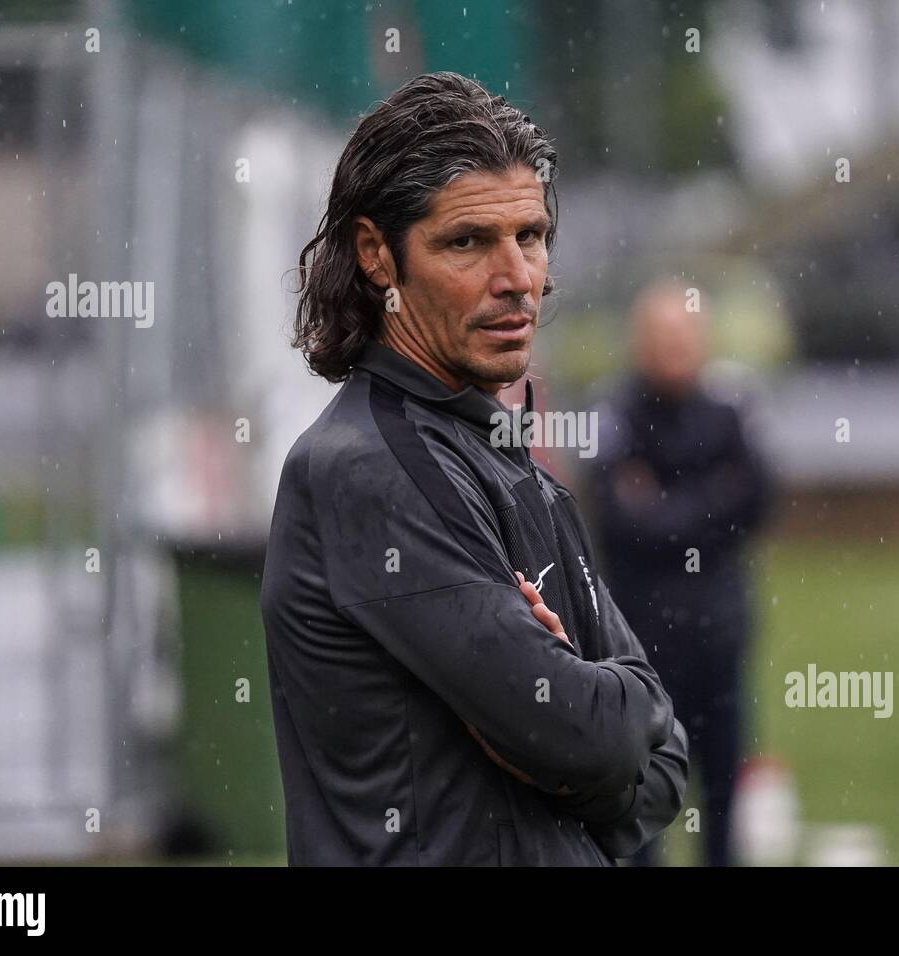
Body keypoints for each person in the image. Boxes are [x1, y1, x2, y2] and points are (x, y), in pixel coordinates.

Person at [259, 72, 688, 866]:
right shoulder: (368, 471)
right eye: (467, 241)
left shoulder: (510, 461)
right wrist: (592, 730)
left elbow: (664, 761)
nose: (517, 277)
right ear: (377, 257)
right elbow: (586, 732)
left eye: (530, 235)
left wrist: (594, 735)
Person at [587, 279, 773, 867]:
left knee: (723, 802)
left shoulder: (730, 407)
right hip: (640, 650)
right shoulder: (615, 410)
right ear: (639, 342)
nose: (673, 348)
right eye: (660, 336)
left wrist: (666, 504)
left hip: (720, 637)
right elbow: (618, 519)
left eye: (684, 335)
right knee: (641, 807)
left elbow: (760, 499)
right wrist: (710, 499)